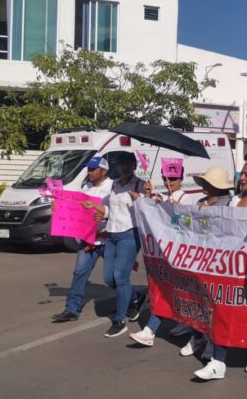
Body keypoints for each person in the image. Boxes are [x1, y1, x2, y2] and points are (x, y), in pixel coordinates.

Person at [194, 151, 247, 380]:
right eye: (242, 175)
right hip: (232, 265)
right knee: (223, 307)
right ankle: (218, 361)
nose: (243, 179)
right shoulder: (235, 200)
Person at [82, 153, 147, 338]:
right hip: (112, 234)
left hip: (129, 234)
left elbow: (150, 209)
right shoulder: (115, 184)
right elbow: (112, 209)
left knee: (120, 277)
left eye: (127, 164)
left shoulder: (141, 185)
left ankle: (120, 321)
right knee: (109, 278)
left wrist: (143, 197)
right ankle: (135, 297)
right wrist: (98, 210)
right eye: (120, 165)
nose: (124, 167)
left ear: (134, 165)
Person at [177, 167, 237, 360]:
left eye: (208, 182)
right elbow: (188, 226)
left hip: (218, 260)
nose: (204, 185)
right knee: (198, 300)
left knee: (214, 304)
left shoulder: (228, 203)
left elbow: (227, 228)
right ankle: (197, 336)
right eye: (204, 182)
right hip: (199, 258)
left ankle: (212, 341)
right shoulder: (200, 202)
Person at [129, 165, 192, 346]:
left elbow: (190, 224)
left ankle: (156, 329)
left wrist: (177, 211)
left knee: (177, 293)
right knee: (166, 291)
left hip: (181, 255)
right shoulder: (161, 197)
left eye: (172, 179)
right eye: (165, 178)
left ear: (181, 179)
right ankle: (153, 330)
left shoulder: (187, 199)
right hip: (163, 255)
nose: (168, 182)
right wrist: (145, 198)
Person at [51, 157, 113, 323]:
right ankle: (71, 310)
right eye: (89, 169)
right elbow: (74, 210)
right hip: (88, 240)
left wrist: (106, 214)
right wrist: (58, 207)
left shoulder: (113, 187)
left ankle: (133, 298)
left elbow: (120, 211)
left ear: (104, 171)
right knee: (79, 273)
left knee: (114, 277)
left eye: (93, 169)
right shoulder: (86, 187)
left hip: (109, 240)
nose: (89, 172)